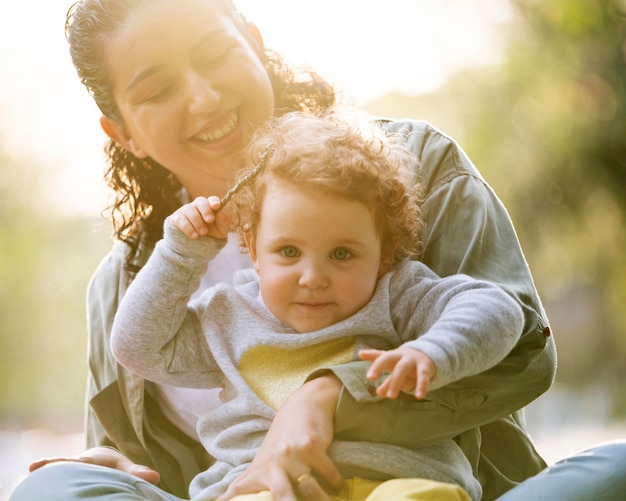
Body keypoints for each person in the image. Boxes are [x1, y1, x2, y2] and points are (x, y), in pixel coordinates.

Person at [9, 0, 626, 500]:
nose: (203, 98)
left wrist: (328, 396)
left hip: (418, 488)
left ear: (252, 42)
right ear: (123, 132)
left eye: (215, 54)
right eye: (157, 88)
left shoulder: (404, 171)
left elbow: (520, 352)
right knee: (52, 489)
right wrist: (106, 466)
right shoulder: (128, 285)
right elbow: (138, 435)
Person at [109, 109, 529, 501]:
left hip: (398, 482)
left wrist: (431, 351)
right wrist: (180, 254)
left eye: (342, 254)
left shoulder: (396, 294)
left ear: (384, 253)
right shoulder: (228, 316)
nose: (312, 278)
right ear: (253, 249)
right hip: (266, 486)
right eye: (289, 251)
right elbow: (136, 347)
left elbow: (499, 310)